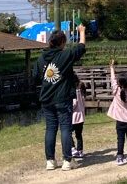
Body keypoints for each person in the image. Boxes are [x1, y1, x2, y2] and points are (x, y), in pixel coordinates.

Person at [33, 23, 86, 171]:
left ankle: (50, 161)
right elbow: (81, 48)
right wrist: (81, 32)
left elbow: (35, 77)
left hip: (46, 98)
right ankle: (67, 161)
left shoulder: (41, 58)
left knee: (50, 129)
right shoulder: (65, 55)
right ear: (62, 42)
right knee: (65, 129)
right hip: (63, 98)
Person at [71, 80, 87, 159]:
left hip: (74, 117)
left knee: (68, 132)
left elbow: (74, 103)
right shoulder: (82, 94)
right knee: (79, 135)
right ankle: (80, 150)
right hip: (81, 117)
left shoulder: (74, 92)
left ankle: (73, 148)